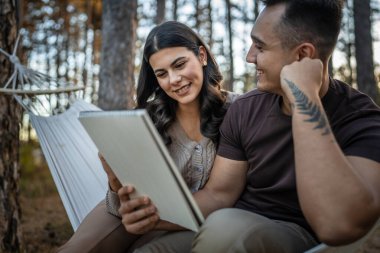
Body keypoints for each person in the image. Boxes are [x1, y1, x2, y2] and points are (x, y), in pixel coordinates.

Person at [118, 1, 380, 252]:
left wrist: (304, 96)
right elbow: (218, 195)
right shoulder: (245, 109)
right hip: (227, 224)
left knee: (225, 230)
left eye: (260, 47)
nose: (249, 56)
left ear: (303, 55)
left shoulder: (362, 121)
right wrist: (155, 216)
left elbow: (339, 225)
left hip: (293, 235)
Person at [57, 21, 238, 253]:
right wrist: (114, 181)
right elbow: (119, 202)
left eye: (180, 65)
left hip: (197, 219)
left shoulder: (238, 109)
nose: (173, 80)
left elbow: (224, 195)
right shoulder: (147, 118)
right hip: (134, 210)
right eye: (162, 74)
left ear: (201, 56)